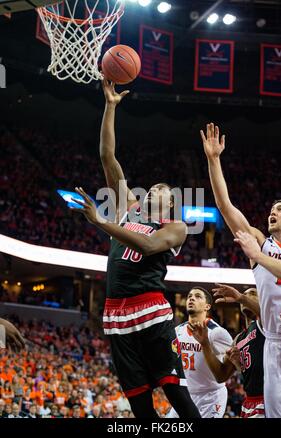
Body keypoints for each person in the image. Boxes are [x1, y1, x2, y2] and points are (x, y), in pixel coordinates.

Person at [70, 78, 200, 419]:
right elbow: (107, 155)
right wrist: (110, 107)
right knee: (141, 407)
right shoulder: (128, 209)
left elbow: (147, 243)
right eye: (153, 186)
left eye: (162, 189)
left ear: (170, 204)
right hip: (115, 314)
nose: (155, 188)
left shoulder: (175, 227)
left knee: (176, 394)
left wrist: (100, 222)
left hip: (151, 310)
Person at [201, 123, 281, 418]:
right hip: (274, 345)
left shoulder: (261, 250)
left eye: (280, 209)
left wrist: (257, 256)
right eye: (272, 207)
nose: (273, 210)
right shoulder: (258, 242)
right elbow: (224, 204)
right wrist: (214, 160)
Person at [166, 286, 232, 418]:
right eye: (190, 296)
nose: (191, 298)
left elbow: (231, 365)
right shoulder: (177, 330)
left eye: (197, 296)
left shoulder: (218, 333)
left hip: (210, 396)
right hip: (186, 394)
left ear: (207, 306)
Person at [209, 285, 265, 418]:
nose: (247, 296)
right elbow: (221, 376)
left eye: (252, 293)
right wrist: (205, 344)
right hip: (249, 401)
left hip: (269, 398)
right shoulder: (238, 339)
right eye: (246, 294)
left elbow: (266, 313)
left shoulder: (266, 325)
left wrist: (240, 297)